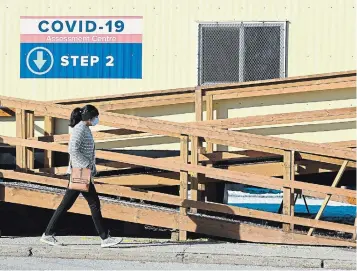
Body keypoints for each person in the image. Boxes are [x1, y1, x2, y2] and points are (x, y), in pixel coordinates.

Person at [40, 105, 122, 248]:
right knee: (93, 204)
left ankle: (48, 234)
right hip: (80, 173)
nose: (97, 119)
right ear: (89, 117)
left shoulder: (84, 128)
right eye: (95, 117)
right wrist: (85, 166)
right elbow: (73, 150)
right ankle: (105, 238)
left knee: (67, 205)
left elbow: (89, 152)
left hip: (81, 172)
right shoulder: (79, 129)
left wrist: (92, 168)